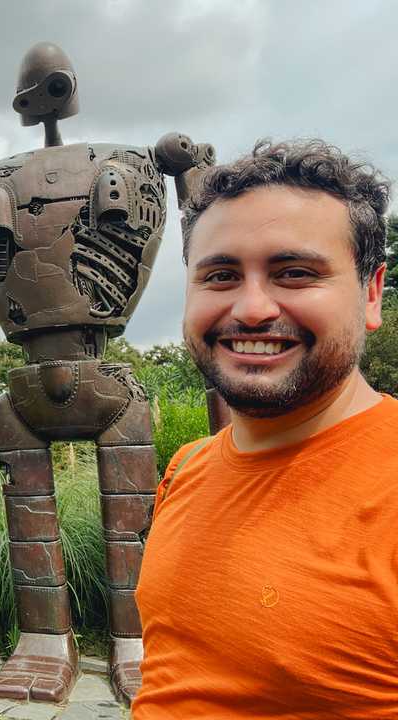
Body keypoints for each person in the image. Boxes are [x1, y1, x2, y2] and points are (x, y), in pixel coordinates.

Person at [133, 139, 398, 719]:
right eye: (221, 275)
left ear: (372, 292)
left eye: (295, 273)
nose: (252, 309)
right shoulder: (186, 469)